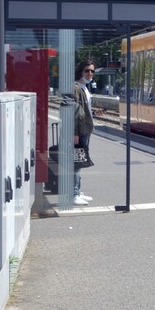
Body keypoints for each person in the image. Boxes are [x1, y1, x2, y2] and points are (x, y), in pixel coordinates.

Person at [72, 59, 96, 205]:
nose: (90, 73)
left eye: (92, 71)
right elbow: (74, 113)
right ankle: (74, 194)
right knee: (77, 161)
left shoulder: (84, 88)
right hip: (79, 131)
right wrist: (75, 133)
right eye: (87, 70)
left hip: (85, 130)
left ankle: (77, 191)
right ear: (80, 71)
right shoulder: (75, 88)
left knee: (79, 161)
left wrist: (95, 113)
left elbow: (84, 111)